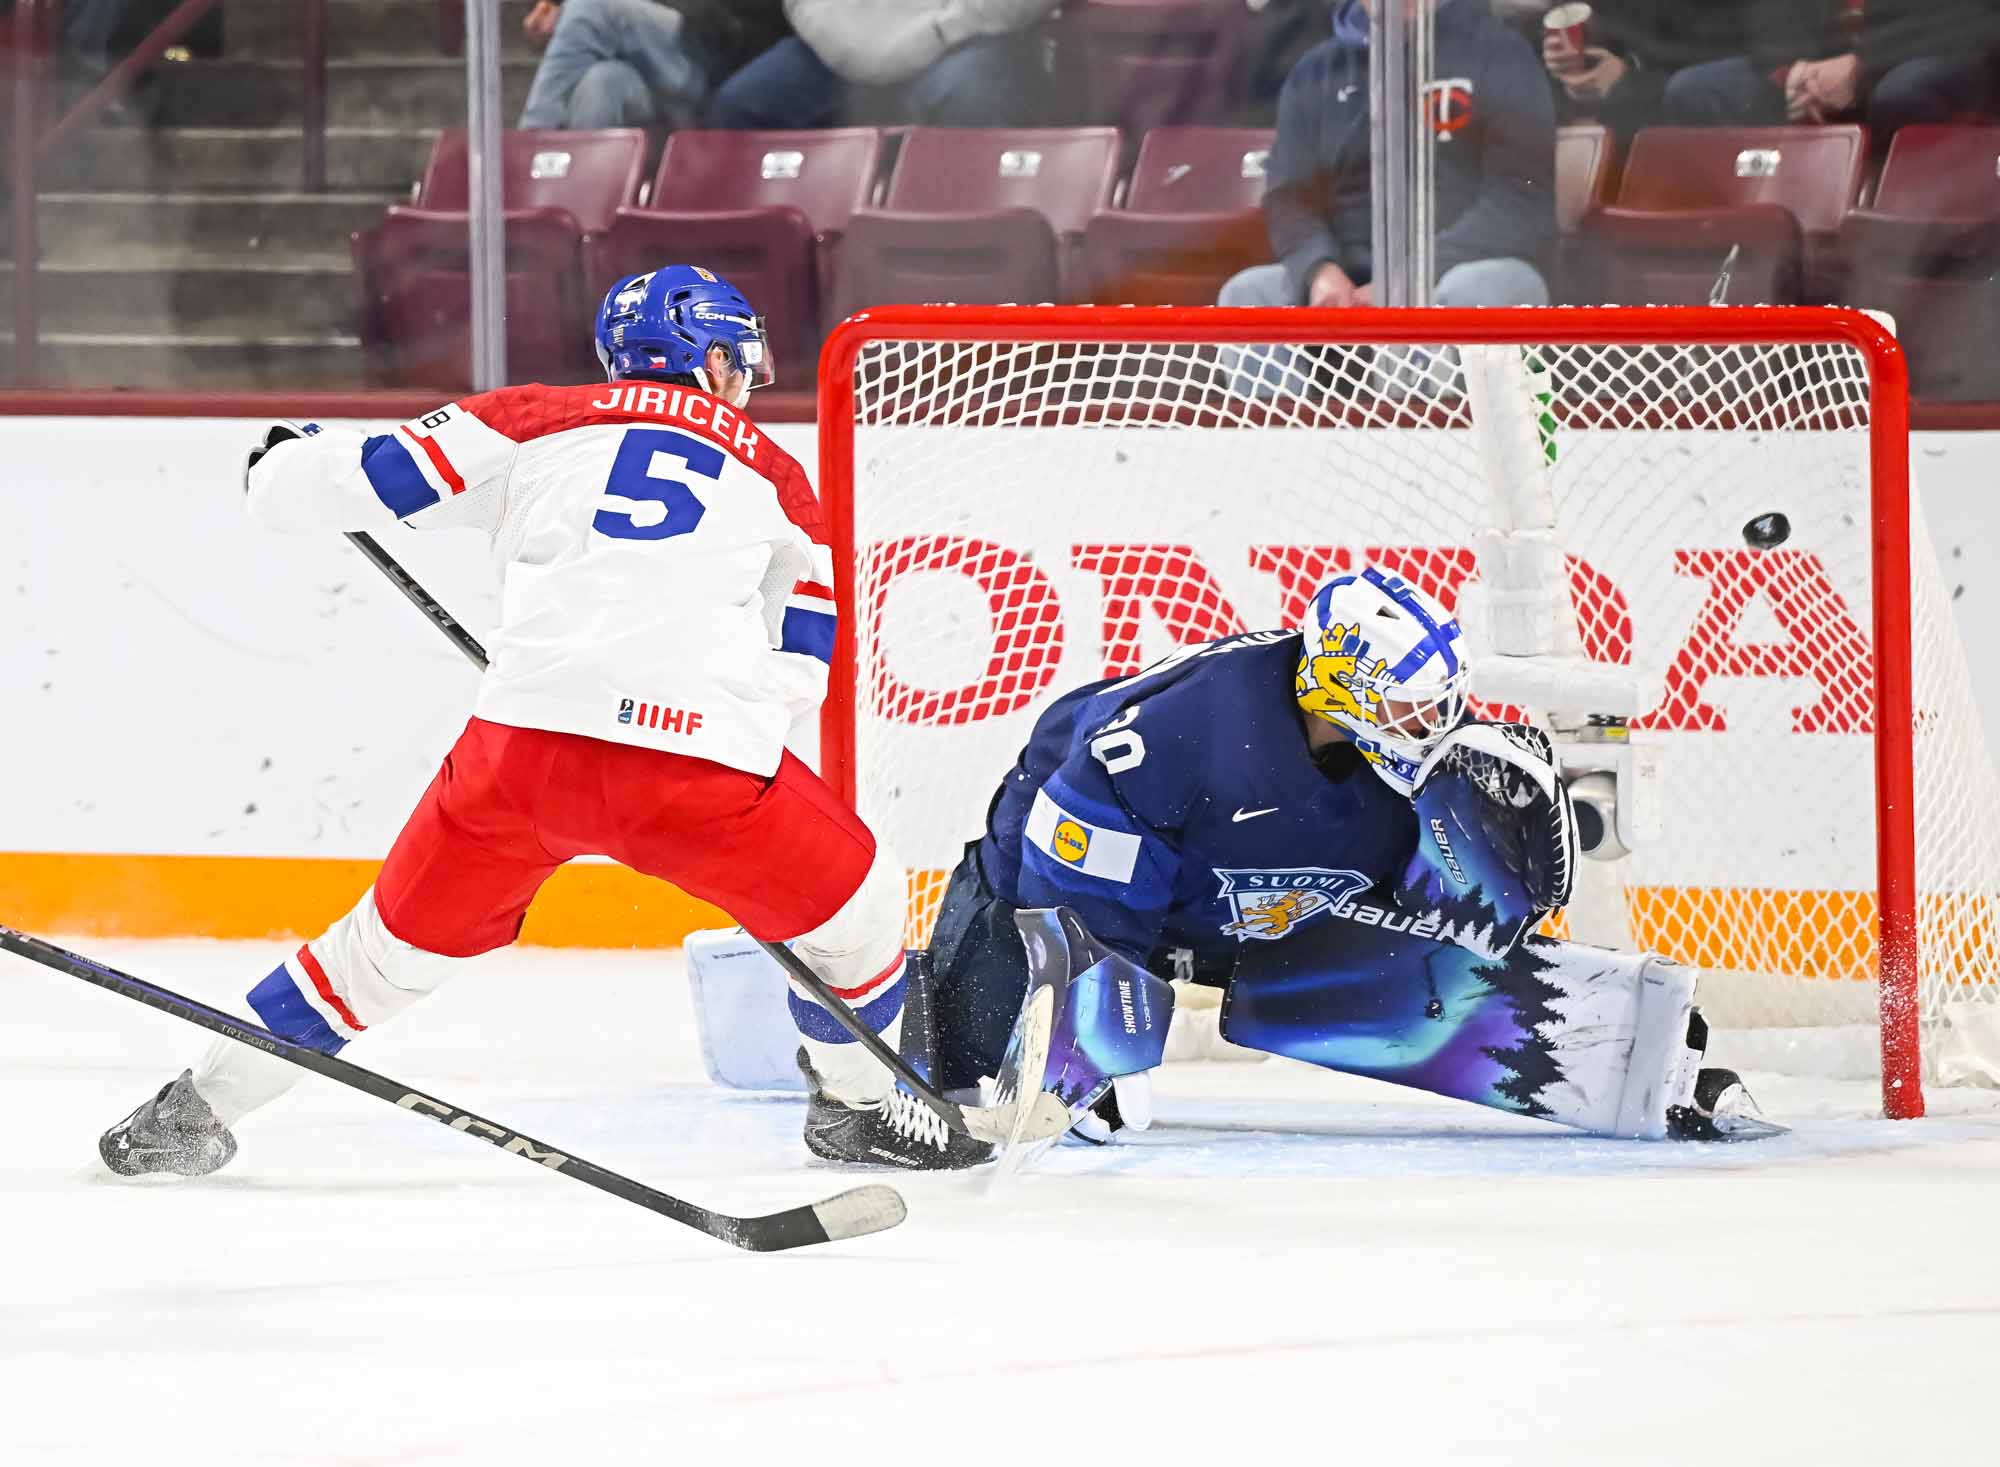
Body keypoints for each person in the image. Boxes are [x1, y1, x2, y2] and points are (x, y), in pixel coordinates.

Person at [98, 265, 992, 1179]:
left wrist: (285, 461)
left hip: (522, 756)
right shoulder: (778, 475)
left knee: (372, 959)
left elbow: (338, 487)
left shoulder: (532, 416)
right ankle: (855, 1109)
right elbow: (803, 665)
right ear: (712, 356)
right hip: (699, 769)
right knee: (860, 905)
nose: (741, 381)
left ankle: (187, 1112)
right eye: (737, 360)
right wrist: (721, 708)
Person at [918, 568, 1759, 1144]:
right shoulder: (1176, 734)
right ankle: (900, 1006)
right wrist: (1087, 1037)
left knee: (1360, 951)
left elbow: (1433, 919)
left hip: (1233, 902)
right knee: (963, 1069)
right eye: (1406, 704)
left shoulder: (1400, 768)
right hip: (1046, 886)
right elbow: (1074, 876)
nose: (1430, 724)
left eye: (1439, 705)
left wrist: (1564, 988)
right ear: (1338, 687)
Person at [1218, 0, 1556, 318]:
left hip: (1462, 267)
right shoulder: (1315, 72)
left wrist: (1413, 276)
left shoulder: (1501, 55)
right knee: (1248, 295)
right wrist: (1319, 270)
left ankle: (1434, 384)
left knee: (1473, 290)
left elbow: (1519, 200)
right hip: (1350, 278)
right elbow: (1288, 198)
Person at [1662, 0, 2000, 139]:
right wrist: (1792, 72)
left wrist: (1864, 67)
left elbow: (1966, 16)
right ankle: (1749, 236)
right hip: (1823, 67)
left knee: (1903, 91)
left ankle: (1908, 241)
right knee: (1695, 89)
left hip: (1926, 54)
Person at [707, 0, 1065, 131]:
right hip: (852, 46)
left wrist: (940, 31)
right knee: (745, 104)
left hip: (967, 37)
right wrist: (862, 51)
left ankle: (962, 258)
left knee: (968, 93)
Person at [517, 0, 790, 132]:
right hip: (652, 69)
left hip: (714, 60)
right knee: (601, 83)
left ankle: (529, 146)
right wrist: (557, 10)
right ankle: (575, 217)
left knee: (592, 7)